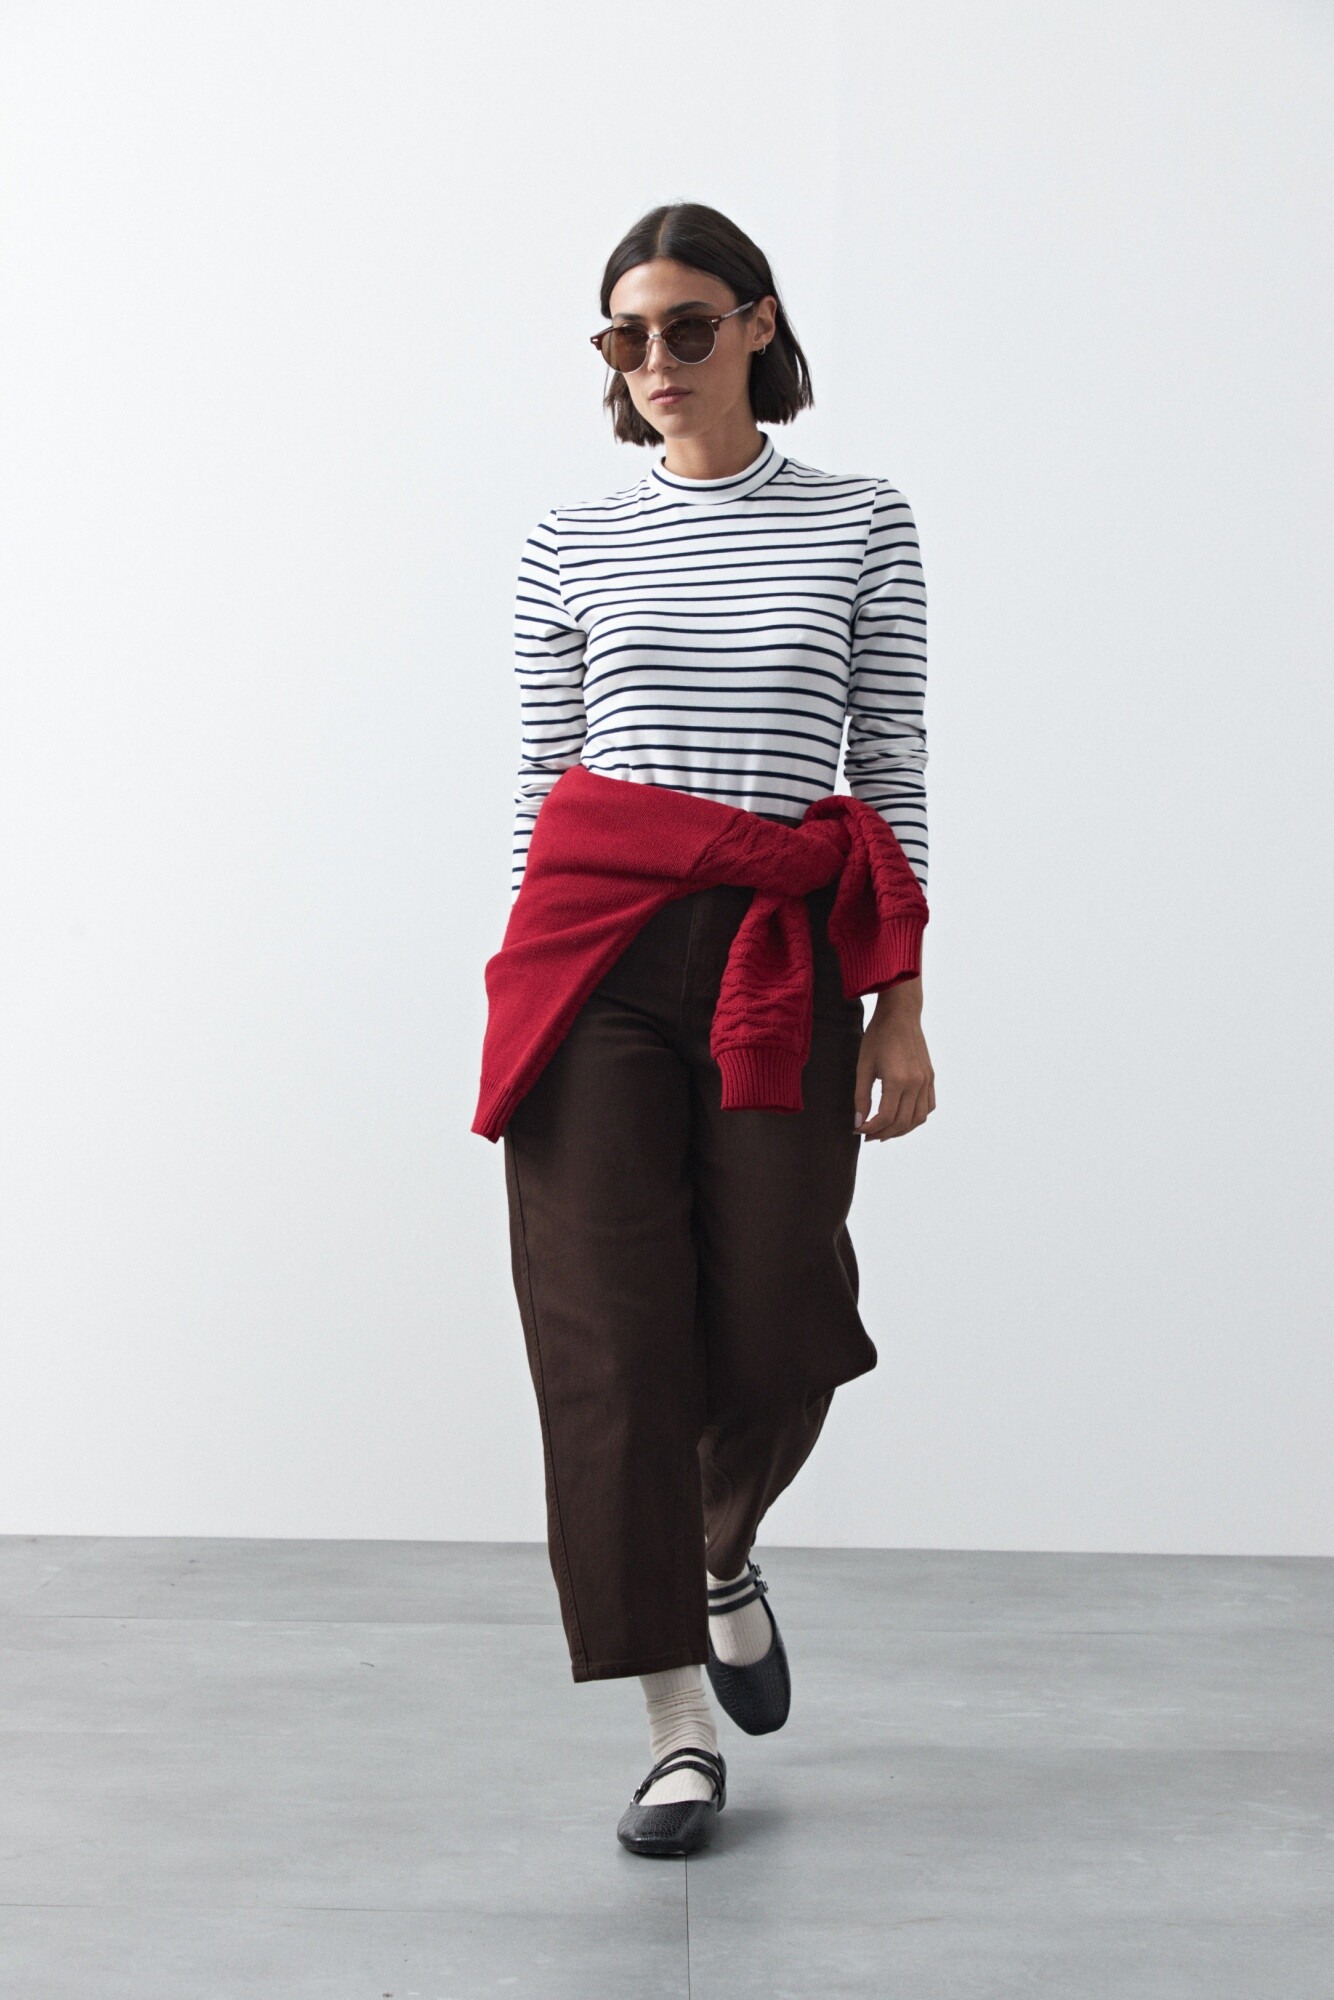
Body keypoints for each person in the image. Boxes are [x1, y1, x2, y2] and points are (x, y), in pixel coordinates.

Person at [491, 201, 935, 1857]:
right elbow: (541, 781)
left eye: (687, 326)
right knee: (610, 1345)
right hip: (593, 956)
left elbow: (889, 761)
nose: (655, 361)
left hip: (780, 951)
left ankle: (718, 1547)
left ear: (757, 325)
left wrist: (901, 1002)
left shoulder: (859, 521)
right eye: (626, 336)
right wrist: (523, 979)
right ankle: (675, 1731)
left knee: (778, 1310)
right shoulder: (568, 541)